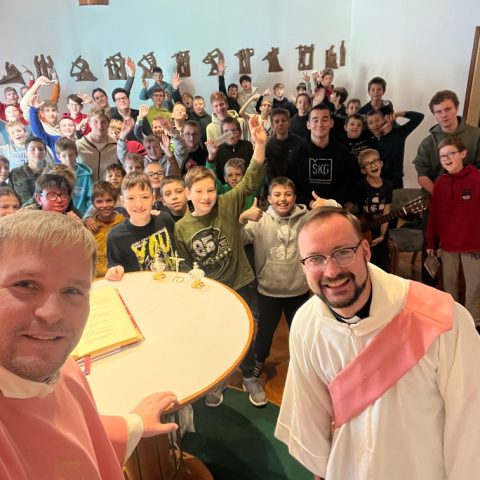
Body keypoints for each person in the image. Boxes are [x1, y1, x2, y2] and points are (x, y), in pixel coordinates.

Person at [275, 206, 480, 480]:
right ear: (303, 265)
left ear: (365, 250)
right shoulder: (305, 324)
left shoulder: (443, 318)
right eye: (315, 258)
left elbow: (469, 426)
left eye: (343, 252)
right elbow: (310, 418)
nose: (331, 271)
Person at [0, 210, 178, 479]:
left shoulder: (66, 369)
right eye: (25, 284)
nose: (51, 313)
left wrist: (134, 424)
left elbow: (75, 433)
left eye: (72, 291)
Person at [175, 117, 268, 408]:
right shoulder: (181, 228)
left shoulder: (226, 204)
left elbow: (250, 180)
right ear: (187, 194)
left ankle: (249, 376)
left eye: (211, 190)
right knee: (219, 336)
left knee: (248, 333)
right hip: (212, 291)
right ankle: (221, 377)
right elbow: (185, 266)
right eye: (199, 191)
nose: (206, 197)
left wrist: (260, 145)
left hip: (242, 282)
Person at [239, 177, 312, 377]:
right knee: (265, 330)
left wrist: (329, 205)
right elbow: (239, 238)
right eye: (277, 194)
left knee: (301, 331)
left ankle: (305, 364)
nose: (282, 199)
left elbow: (333, 219)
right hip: (268, 289)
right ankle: (259, 359)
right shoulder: (260, 220)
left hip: (298, 288)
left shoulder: (306, 219)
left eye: (288, 194)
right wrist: (242, 218)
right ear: (269, 199)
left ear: (295, 197)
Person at [426, 137, 480, 327]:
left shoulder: (476, 179)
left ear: (463, 154)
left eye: (451, 153)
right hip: (448, 244)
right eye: (443, 156)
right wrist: (431, 242)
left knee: (474, 286)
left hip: (473, 244)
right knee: (449, 285)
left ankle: (473, 323)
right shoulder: (441, 183)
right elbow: (434, 215)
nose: (447, 158)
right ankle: (454, 320)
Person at [286, 104, 360, 208]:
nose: (320, 124)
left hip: (335, 210)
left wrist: (334, 205)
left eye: (325, 119)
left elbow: (351, 186)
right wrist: (311, 203)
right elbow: (290, 187)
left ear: (331, 123)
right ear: (308, 125)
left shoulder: (344, 154)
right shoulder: (296, 154)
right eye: (315, 120)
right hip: (305, 211)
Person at [105, 172, 176, 280]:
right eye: (131, 198)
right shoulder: (115, 237)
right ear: (123, 201)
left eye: (145, 197)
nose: (139, 204)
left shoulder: (165, 219)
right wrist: (115, 271)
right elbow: (114, 265)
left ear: (153, 198)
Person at [413, 90, 480, 195]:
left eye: (448, 109)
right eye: (438, 112)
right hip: (437, 195)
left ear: (456, 108)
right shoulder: (427, 143)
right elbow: (422, 176)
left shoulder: (477, 135)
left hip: (470, 194)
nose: (444, 115)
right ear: (434, 114)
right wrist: (442, 196)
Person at [355, 149, 392, 271]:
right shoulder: (360, 187)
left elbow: (386, 211)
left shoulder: (388, 185)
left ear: (381, 163)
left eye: (375, 161)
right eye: (368, 164)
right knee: (367, 265)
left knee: (383, 266)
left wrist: (382, 235)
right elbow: (357, 212)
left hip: (382, 230)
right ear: (363, 170)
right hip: (365, 232)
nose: (373, 165)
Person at [367, 109, 424, 188]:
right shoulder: (367, 138)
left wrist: (397, 114)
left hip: (396, 180)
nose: (375, 125)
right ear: (367, 126)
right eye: (371, 123)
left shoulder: (398, 134)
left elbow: (419, 117)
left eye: (377, 121)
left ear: (384, 120)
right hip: (376, 180)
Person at [89, 180, 125, 277]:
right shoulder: (89, 226)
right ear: (93, 203)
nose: (104, 205)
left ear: (115, 201)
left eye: (109, 200)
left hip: (120, 274)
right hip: (96, 277)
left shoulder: (123, 222)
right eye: (99, 201)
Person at [76, 107, 117, 181]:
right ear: (89, 123)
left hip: (108, 187)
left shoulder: (116, 146)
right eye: (95, 122)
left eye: (103, 122)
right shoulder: (79, 145)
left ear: (108, 124)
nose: (100, 126)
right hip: (85, 187)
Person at [266, 108, 303, 183]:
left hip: (296, 183)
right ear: (272, 126)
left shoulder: (299, 143)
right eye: (277, 121)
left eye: (283, 120)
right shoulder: (269, 145)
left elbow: (302, 168)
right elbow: (270, 171)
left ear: (289, 123)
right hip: (276, 184)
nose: (280, 124)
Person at [9, 136, 48, 205]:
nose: (37, 152)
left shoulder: (53, 172)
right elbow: (11, 198)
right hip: (24, 211)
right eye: (33, 149)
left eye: (40, 149)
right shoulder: (15, 173)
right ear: (26, 153)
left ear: (45, 152)